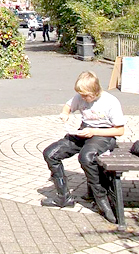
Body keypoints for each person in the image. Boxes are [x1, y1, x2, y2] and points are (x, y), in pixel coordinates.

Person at [42, 71, 125, 223]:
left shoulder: (110, 101)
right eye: (81, 95)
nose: (83, 99)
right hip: (84, 130)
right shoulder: (80, 97)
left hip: (103, 134)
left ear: (95, 91)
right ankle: (63, 197)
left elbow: (120, 130)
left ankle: (101, 199)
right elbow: (68, 106)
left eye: (86, 96)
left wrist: (94, 132)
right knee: (51, 153)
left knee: (86, 157)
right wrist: (65, 113)